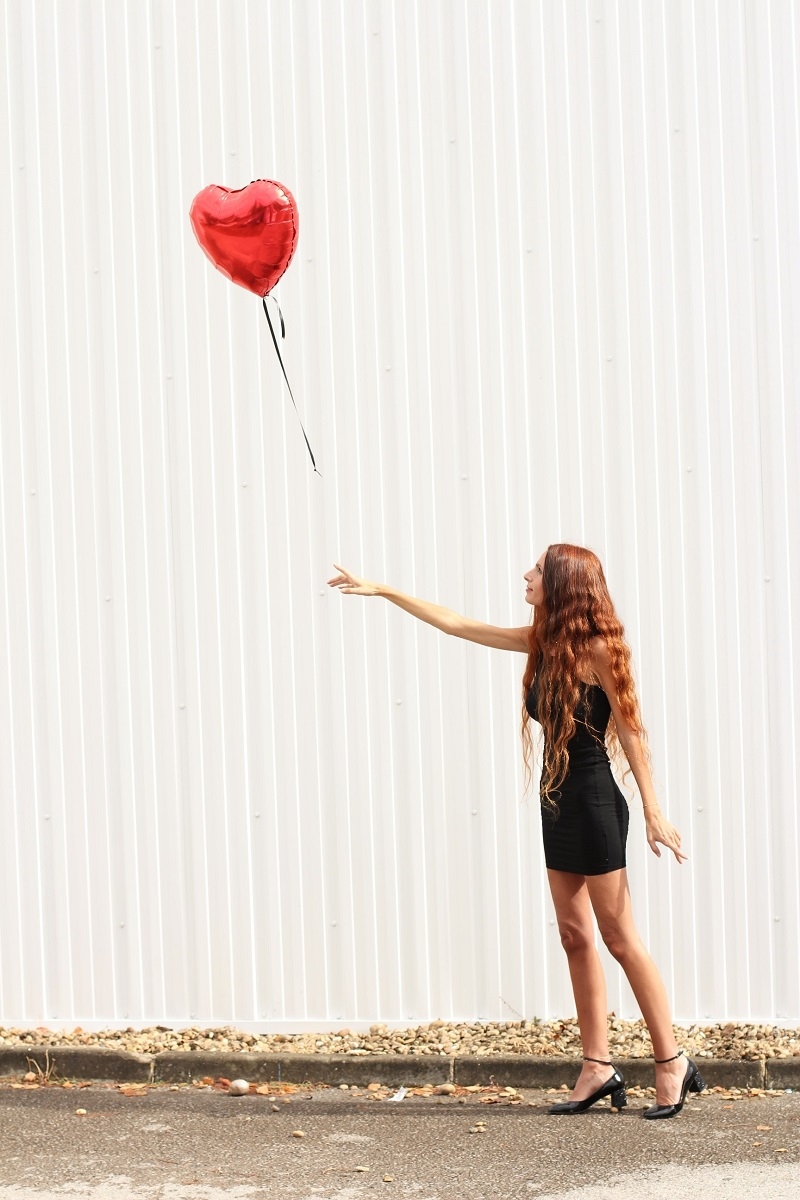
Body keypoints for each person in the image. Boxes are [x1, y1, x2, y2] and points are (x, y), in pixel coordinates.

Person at [328, 543, 704, 1119]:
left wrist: (654, 809)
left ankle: (672, 1061)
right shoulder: (540, 643)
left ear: (563, 585)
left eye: (537, 571)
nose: (526, 576)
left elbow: (630, 732)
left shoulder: (599, 650)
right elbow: (458, 626)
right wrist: (384, 590)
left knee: (620, 939)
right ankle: (597, 1067)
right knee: (575, 937)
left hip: (596, 800)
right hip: (556, 803)